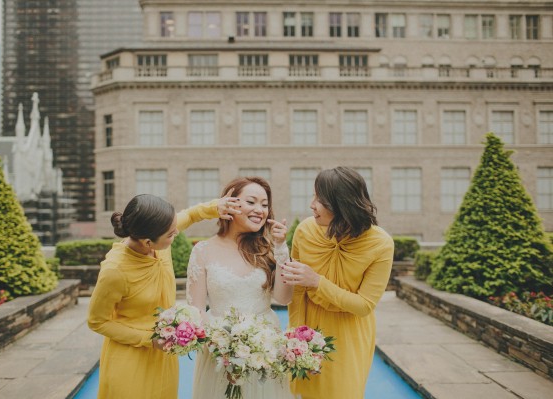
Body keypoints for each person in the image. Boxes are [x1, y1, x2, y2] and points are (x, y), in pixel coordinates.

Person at [87, 193, 240, 399]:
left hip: (164, 356)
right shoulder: (114, 271)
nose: (176, 232)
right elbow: (97, 321)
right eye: (170, 234)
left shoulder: (160, 237)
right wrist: (148, 340)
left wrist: (216, 206)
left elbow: (191, 215)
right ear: (148, 242)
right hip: (129, 360)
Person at [282, 166, 394, 399]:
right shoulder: (304, 230)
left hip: (349, 334)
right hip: (309, 330)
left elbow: (364, 305)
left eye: (320, 199)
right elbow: (298, 292)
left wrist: (318, 282)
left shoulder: (381, 243)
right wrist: (296, 337)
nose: (312, 204)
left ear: (342, 204)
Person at [186, 176, 294, 399]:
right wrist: (224, 344)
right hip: (220, 353)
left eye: (265, 205)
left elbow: (284, 298)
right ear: (230, 204)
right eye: (252, 202)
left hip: (266, 348)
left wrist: (282, 248)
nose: (260, 210)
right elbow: (195, 310)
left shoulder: (269, 249)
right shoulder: (203, 251)